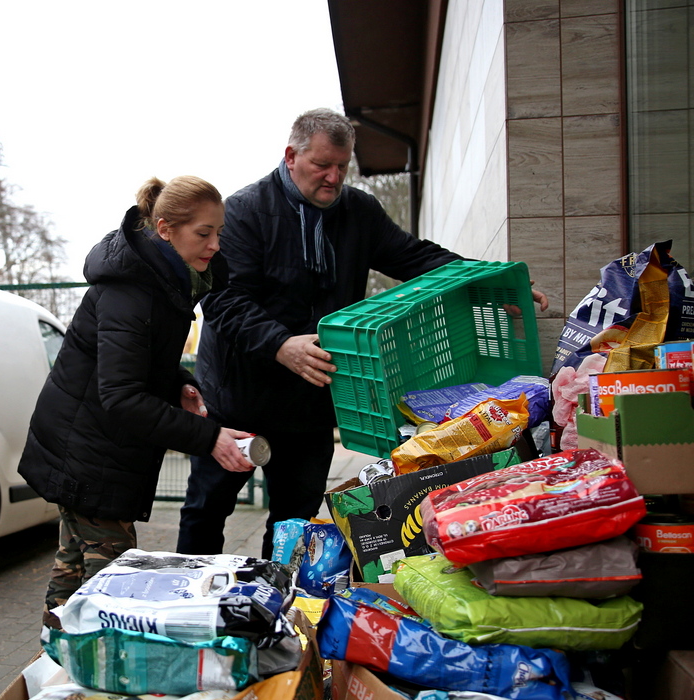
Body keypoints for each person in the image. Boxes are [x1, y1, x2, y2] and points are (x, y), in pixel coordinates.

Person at [179, 108, 549, 560]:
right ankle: (186, 602)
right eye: (322, 165)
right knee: (207, 508)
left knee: (294, 519)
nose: (334, 177)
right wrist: (280, 344)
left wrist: (492, 284)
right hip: (236, 399)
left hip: (310, 400)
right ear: (291, 156)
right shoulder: (243, 213)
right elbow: (222, 301)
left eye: (342, 166)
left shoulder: (359, 212)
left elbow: (414, 257)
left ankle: (276, 605)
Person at [18, 176, 254, 628]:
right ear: (165, 229)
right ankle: (81, 671)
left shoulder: (164, 282)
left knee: (73, 573)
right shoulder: (133, 291)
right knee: (112, 593)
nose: (215, 245)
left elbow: (141, 366)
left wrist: (179, 384)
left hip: (94, 451)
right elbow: (122, 397)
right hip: (89, 456)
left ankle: (53, 663)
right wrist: (211, 439)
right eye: (203, 233)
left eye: (218, 233)